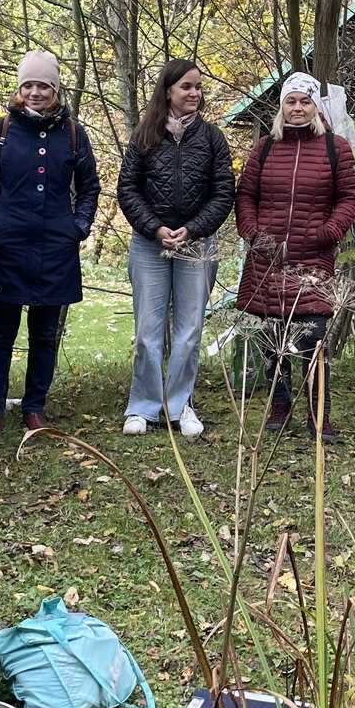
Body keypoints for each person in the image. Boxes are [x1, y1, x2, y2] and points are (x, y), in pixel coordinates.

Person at [0, 52, 100, 437]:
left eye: (43, 86)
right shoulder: (0, 131)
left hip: (56, 247)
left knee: (45, 333)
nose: (34, 92)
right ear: (19, 89)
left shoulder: (74, 133)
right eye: (28, 85)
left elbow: (89, 188)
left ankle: (34, 407)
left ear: (55, 89)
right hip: (7, 245)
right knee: (0, 332)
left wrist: (78, 227)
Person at [235, 73, 355, 439]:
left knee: (312, 336)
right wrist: (253, 234)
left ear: (315, 106)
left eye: (304, 101)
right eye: (291, 101)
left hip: (313, 257)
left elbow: (350, 197)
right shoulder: (263, 148)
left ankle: (317, 412)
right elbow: (245, 195)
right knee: (271, 334)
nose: (297, 108)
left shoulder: (334, 148)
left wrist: (328, 232)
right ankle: (279, 403)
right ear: (281, 106)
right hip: (267, 258)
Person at [117, 59, 235, 438]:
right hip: (150, 246)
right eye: (187, 87)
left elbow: (223, 192)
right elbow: (128, 189)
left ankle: (179, 404)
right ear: (168, 90)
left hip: (197, 246)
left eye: (198, 87)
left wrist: (194, 228)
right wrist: (155, 228)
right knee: (148, 330)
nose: (195, 94)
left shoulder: (213, 137)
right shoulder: (144, 135)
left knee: (189, 330)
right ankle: (143, 407)